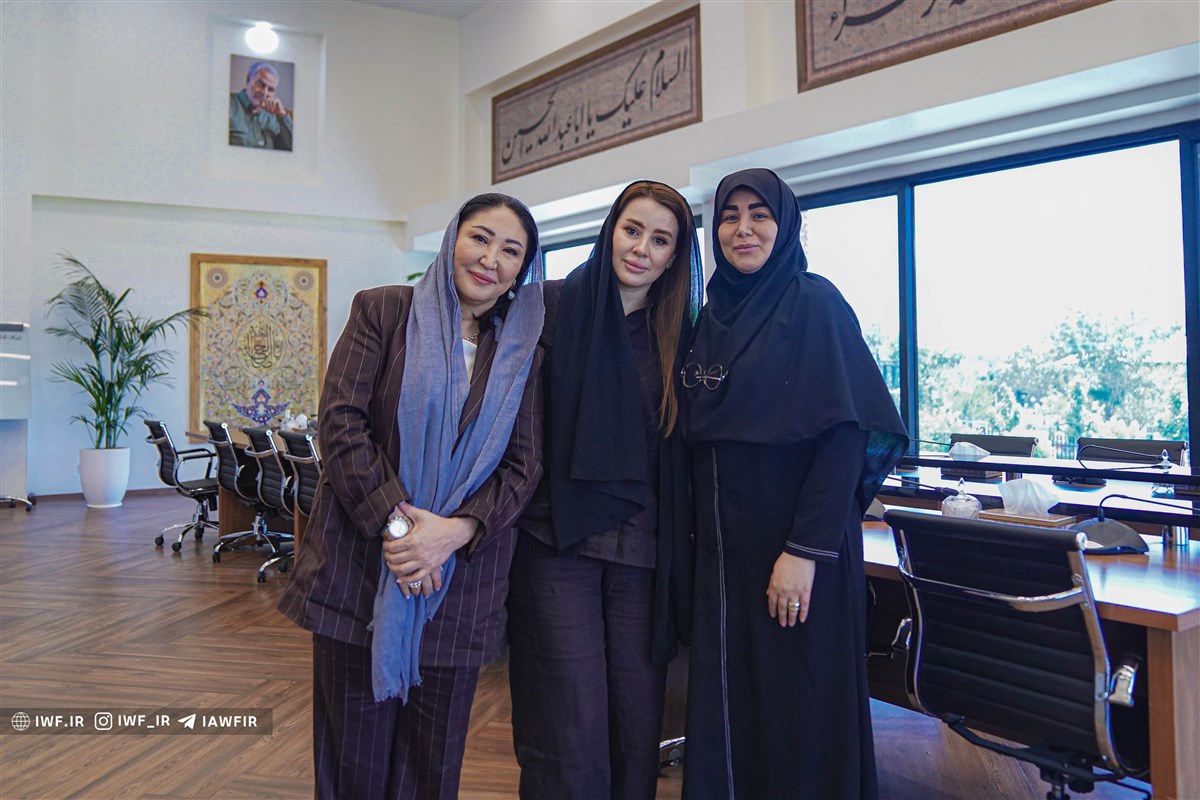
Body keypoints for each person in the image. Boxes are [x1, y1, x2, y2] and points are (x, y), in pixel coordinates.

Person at [277, 193, 546, 800]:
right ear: (452, 239)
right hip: (361, 572)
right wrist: (402, 534)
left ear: (522, 270)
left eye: (511, 251)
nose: (491, 260)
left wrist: (451, 534)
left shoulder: (523, 351)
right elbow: (341, 425)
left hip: (460, 585)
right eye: (480, 238)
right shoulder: (383, 311)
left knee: (431, 770)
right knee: (353, 766)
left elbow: (524, 465)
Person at [679, 168, 908, 799]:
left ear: (785, 227)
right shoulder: (710, 316)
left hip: (796, 552)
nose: (743, 229)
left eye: (760, 214)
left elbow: (846, 436)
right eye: (730, 216)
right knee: (733, 705)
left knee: (799, 708)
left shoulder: (815, 304)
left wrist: (804, 551)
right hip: (724, 556)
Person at [506, 180, 701, 799]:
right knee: (567, 717)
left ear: (674, 257)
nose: (641, 248)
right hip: (555, 539)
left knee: (636, 718)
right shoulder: (549, 306)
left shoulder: (681, 336)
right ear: (610, 230)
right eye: (632, 230)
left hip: (643, 551)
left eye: (660, 240)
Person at [229, 61, 293, 150]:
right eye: (260, 84)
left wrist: (282, 115)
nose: (264, 93)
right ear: (248, 80)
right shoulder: (227, 104)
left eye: (270, 89)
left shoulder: (275, 117)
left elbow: (292, 149)